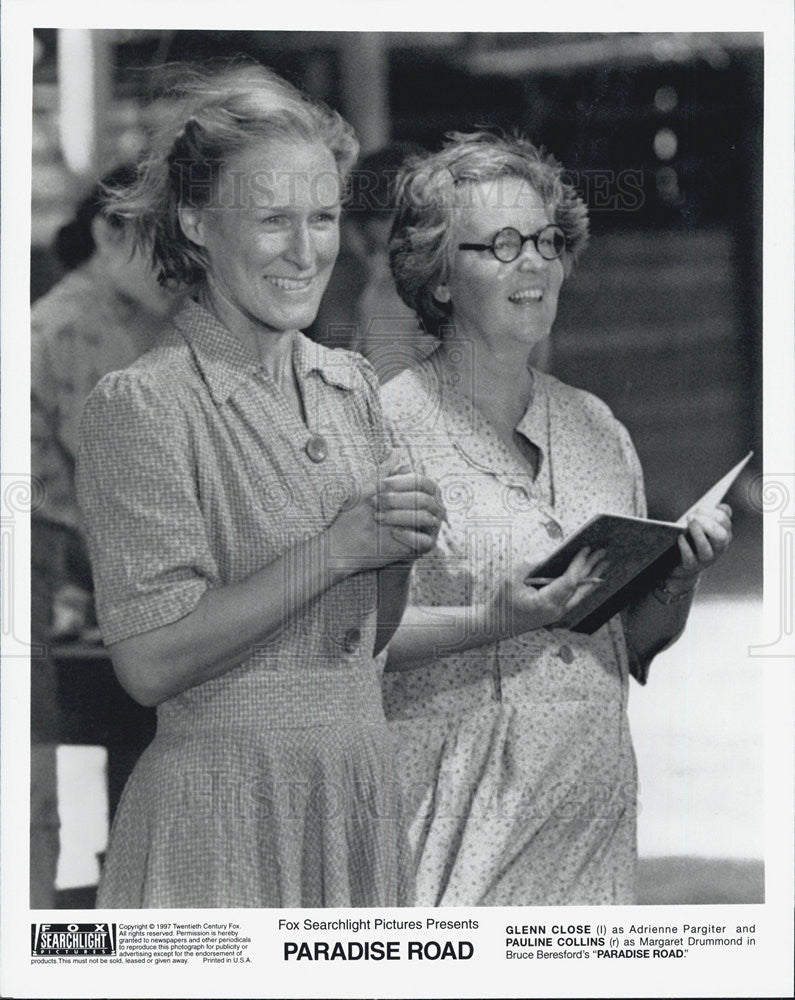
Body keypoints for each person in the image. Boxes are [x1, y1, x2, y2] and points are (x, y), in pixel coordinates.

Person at [76, 63, 444, 908]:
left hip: (354, 794)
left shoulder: (351, 384)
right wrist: (337, 549)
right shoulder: (145, 405)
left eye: (322, 217)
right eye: (273, 219)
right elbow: (148, 660)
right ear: (198, 223)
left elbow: (365, 641)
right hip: (219, 818)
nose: (306, 250)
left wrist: (393, 551)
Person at [380, 131, 733, 906]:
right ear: (438, 280)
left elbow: (623, 643)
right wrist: (486, 620)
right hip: (451, 823)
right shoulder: (381, 431)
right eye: (501, 244)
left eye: (545, 240)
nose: (533, 261)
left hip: (590, 811)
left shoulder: (597, 429)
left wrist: (678, 578)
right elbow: (341, 646)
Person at [30, 164, 182, 906]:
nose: (184, 271)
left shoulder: (140, 322)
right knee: (36, 788)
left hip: (85, 576)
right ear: (107, 231)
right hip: (44, 570)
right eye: (166, 245)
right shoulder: (77, 325)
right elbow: (122, 496)